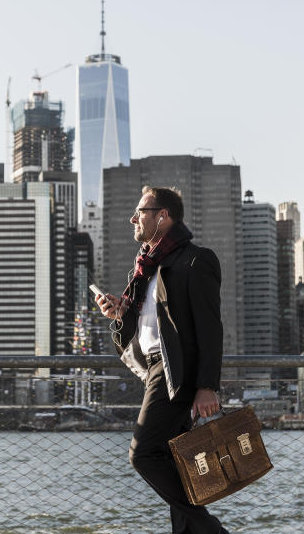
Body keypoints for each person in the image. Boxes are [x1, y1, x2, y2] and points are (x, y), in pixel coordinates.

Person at [95, 185, 229, 534]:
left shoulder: (196, 260)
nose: (133, 218)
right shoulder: (147, 266)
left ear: (162, 216)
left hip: (177, 373)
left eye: (140, 212)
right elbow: (148, 326)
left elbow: (210, 329)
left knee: (143, 454)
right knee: (175, 461)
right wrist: (120, 313)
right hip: (154, 368)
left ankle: (212, 530)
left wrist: (206, 386)